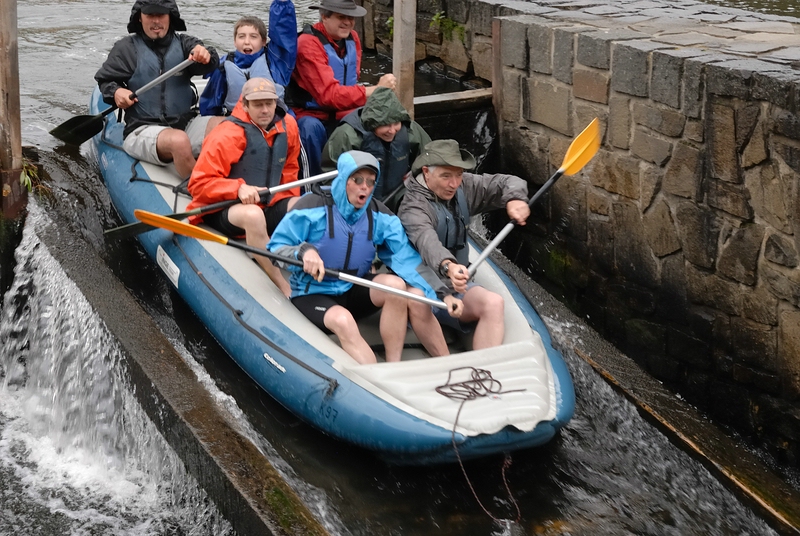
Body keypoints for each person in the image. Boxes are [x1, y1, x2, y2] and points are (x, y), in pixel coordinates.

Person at [268, 151, 463, 364]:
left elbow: (408, 260)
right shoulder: (312, 207)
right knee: (343, 320)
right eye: (357, 180)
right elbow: (275, 249)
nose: (365, 187)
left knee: (396, 286)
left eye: (370, 182)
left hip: (353, 289)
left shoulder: (379, 216)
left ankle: (394, 365)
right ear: (344, 179)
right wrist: (304, 252)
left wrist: (443, 295)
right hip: (313, 293)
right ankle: (376, 376)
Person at [398, 139, 531, 350]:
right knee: (417, 299)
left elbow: (508, 181)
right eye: (446, 176)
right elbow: (427, 242)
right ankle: (444, 362)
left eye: (458, 174)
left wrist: (515, 199)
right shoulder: (413, 207)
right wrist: (449, 267)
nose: (454, 183)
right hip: (422, 288)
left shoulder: (464, 186)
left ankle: (483, 366)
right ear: (426, 172)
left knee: (494, 303)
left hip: (455, 286)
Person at [187, 78, 301, 297]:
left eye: (269, 103)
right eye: (258, 104)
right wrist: (237, 188)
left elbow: (290, 171)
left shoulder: (289, 127)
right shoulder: (227, 134)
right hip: (225, 209)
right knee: (253, 215)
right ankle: (281, 283)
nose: (265, 110)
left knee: (302, 205)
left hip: (267, 204)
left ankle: (297, 256)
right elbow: (198, 185)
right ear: (245, 105)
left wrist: (283, 212)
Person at [94, 0, 222, 179]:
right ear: (140, 18)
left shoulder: (186, 44)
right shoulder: (127, 48)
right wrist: (116, 92)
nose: (156, 21)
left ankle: (229, 177)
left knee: (228, 126)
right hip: (142, 129)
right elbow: (106, 81)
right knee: (178, 141)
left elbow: (210, 61)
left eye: (161, 15)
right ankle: (204, 188)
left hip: (185, 124)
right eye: (150, 15)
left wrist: (205, 55)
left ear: (170, 17)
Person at [286, 0, 397, 177]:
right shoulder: (307, 44)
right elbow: (328, 96)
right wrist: (375, 89)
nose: (347, 22)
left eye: (350, 17)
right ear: (324, 17)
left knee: (382, 123)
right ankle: (315, 183)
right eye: (341, 17)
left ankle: (375, 176)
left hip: (344, 112)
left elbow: (353, 79)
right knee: (310, 129)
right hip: (312, 115)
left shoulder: (353, 38)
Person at [321, 87, 432, 212]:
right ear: (372, 123)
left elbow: (429, 161)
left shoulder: (411, 131)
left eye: (396, 123)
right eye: (386, 125)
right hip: (357, 203)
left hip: (400, 199)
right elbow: (330, 175)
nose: (392, 131)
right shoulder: (347, 135)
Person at [199, 2, 297, 116]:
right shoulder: (223, 68)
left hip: (272, 119)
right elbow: (210, 104)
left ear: (263, 41)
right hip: (238, 121)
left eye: (253, 37)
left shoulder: (276, 61)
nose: (246, 42)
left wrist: (282, 4)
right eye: (241, 37)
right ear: (235, 41)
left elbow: (284, 32)